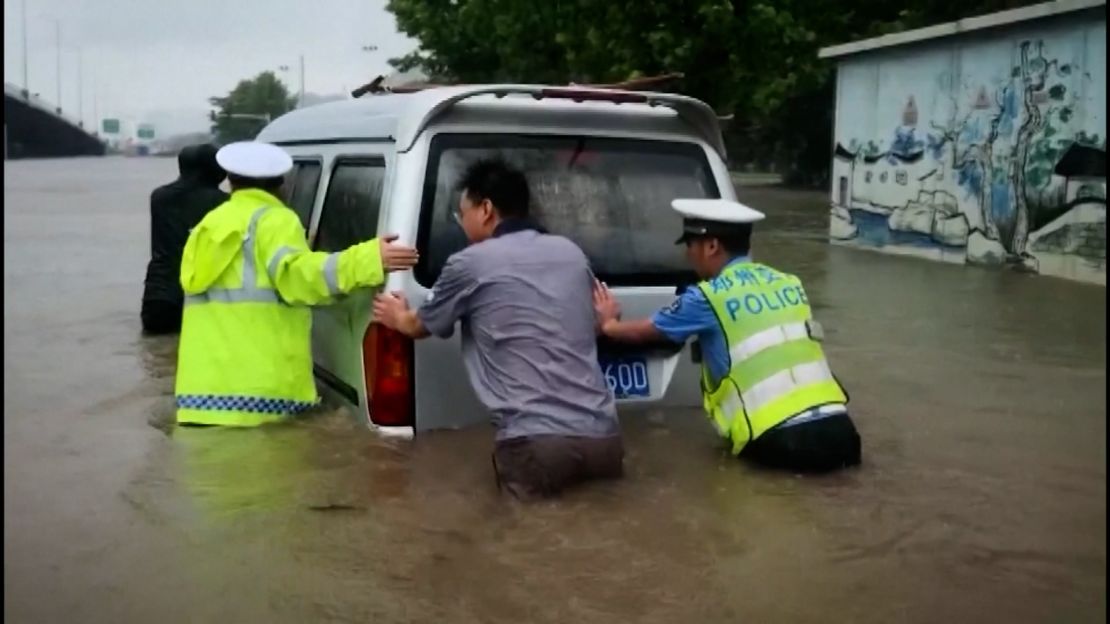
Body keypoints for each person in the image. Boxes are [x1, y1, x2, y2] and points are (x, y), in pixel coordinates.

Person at [372, 158, 623, 500]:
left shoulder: (470, 262)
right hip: (605, 439)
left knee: (520, 545)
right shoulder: (571, 253)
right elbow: (580, 325)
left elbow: (420, 326)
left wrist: (397, 316)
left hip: (536, 445)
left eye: (463, 213)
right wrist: (604, 317)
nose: (461, 224)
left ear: (486, 210)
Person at [593, 199, 861, 473]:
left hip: (784, 440)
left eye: (690, 245)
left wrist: (609, 324)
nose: (687, 255)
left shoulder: (707, 296)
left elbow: (644, 332)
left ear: (712, 246)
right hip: (842, 431)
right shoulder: (789, 282)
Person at [174, 141, 419, 427]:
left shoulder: (208, 225)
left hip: (199, 400)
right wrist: (368, 259)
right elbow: (301, 278)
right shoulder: (275, 221)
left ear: (230, 182)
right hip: (258, 399)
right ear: (281, 185)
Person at [141, 143, 228, 334]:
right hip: (202, 296)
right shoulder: (225, 203)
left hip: (159, 295)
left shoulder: (159, 198)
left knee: (157, 355)